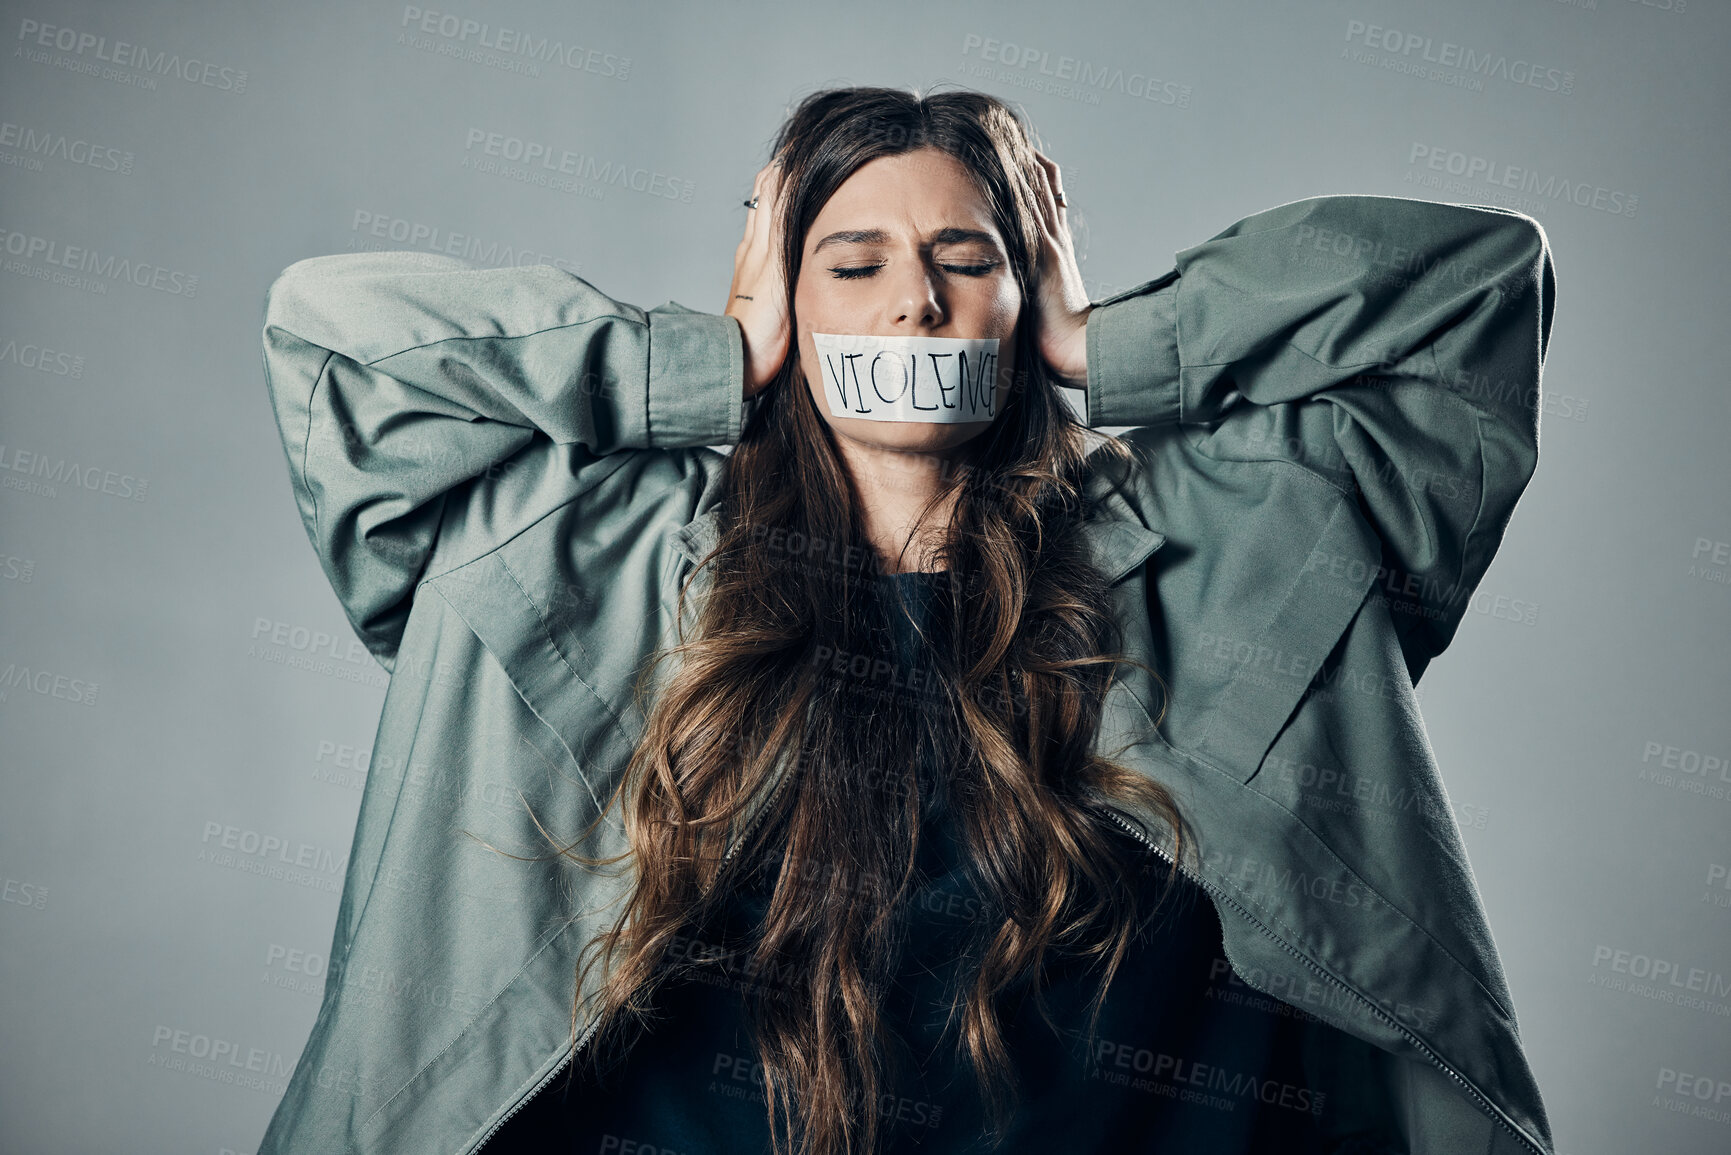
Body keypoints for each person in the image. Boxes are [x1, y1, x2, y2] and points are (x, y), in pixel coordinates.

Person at [254, 85, 1557, 1155]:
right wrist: (708, 360)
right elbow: (335, 346)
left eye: (966, 259)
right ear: (788, 300)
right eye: (852, 262)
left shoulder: (1226, 545)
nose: (913, 303)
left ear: (1026, 291)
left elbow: (1477, 289)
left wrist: (1111, 345)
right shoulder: (599, 557)